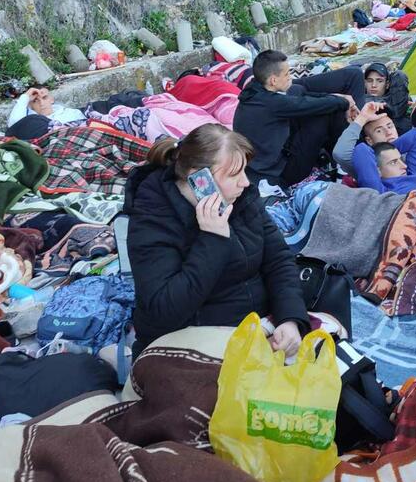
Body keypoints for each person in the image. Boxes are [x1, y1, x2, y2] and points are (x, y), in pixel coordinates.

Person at [124, 124, 309, 356]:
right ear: (198, 179)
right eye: (234, 174)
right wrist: (213, 239)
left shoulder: (243, 199)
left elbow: (279, 260)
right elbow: (164, 310)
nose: (246, 182)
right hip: (194, 342)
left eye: (244, 170)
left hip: (257, 328)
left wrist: (290, 317)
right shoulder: (153, 218)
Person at [233, 50, 352, 187]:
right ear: (273, 80)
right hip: (280, 173)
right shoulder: (271, 103)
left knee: (299, 93)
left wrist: (338, 98)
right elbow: (310, 105)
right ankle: (343, 165)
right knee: (326, 113)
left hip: (263, 164)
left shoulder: (253, 92)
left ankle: (332, 160)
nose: (291, 77)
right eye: (287, 74)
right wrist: (345, 102)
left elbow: (303, 101)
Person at [332, 103, 416, 181]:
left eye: (390, 126)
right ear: (369, 140)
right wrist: (362, 118)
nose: (388, 132)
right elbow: (340, 154)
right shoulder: (371, 162)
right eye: (379, 131)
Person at [352, 137, 416, 195]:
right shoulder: (382, 192)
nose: (404, 166)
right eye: (393, 162)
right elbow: (361, 150)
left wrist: (386, 148)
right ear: (377, 171)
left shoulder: (415, 173)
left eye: (401, 159)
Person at [362, 62, 411, 132]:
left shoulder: (399, 100)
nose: (374, 85)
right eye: (370, 81)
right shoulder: (357, 101)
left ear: (387, 84)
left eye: (379, 81)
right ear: (365, 83)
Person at [7, 85, 85, 128]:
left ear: (51, 99)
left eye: (44, 98)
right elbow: (14, 124)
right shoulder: (32, 122)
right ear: (30, 105)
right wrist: (26, 96)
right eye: (35, 101)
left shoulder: (71, 113)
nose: (41, 103)